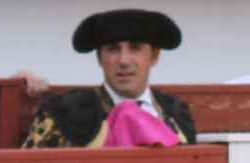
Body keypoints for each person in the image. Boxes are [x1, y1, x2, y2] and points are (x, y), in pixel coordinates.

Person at [23, 8, 195, 148]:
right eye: (113, 49)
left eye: (135, 48)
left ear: (154, 56)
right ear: (99, 58)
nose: (124, 61)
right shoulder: (63, 111)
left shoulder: (177, 112)